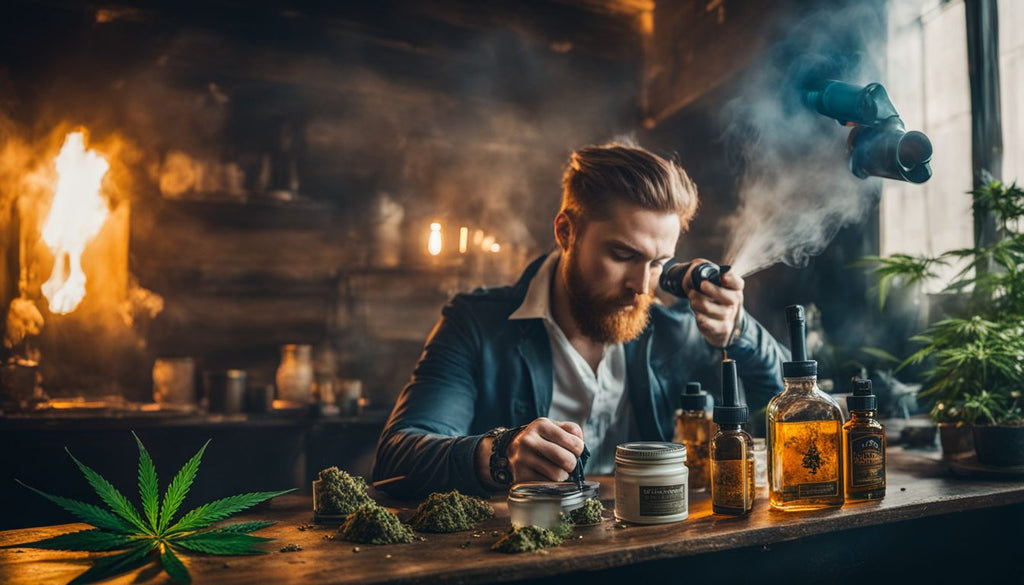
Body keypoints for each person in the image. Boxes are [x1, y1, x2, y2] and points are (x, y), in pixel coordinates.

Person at [372, 142, 788, 498]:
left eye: (659, 262)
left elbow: (793, 408)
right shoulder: (476, 323)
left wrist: (740, 332)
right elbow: (397, 455)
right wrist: (498, 454)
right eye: (623, 256)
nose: (642, 286)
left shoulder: (678, 327)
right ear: (566, 231)